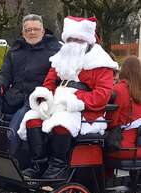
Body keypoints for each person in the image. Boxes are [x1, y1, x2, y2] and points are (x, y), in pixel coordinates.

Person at [18, 16, 118, 179]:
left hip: (83, 111)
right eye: (70, 39)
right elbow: (49, 83)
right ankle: (39, 164)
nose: (73, 43)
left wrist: (74, 99)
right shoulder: (61, 57)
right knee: (31, 118)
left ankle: (58, 166)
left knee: (62, 122)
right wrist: (43, 99)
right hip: (56, 104)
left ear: (87, 40)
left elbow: (102, 96)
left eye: (77, 39)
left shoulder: (100, 62)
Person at [0, 14, 61, 154]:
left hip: (37, 99)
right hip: (14, 96)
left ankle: (7, 150)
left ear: (43, 31)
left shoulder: (55, 51)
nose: (32, 32)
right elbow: (5, 74)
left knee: (21, 115)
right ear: (23, 32)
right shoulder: (14, 51)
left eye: (35, 29)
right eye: (28, 30)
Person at [105, 56, 141, 160]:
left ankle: (107, 176)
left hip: (122, 148)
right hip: (138, 147)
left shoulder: (118, 89)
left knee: (97, 147)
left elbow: (111, 122)